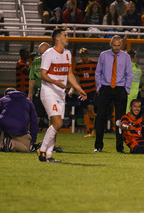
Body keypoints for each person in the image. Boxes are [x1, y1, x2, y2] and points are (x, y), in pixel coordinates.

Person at [38, 27, 87, 162]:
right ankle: (41, 150)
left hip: (60, 94)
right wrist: (56, 82)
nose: (68, 37)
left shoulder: (67, 53)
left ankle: (48, 155)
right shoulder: (49, 53)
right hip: (49, 92)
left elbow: (69, 74)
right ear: (58, 38)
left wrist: (78, 88)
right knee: (58, 123)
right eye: (65, 35)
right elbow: (43, 75)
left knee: (54, 125)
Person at [94, 35, 132, 153]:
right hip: (105, 89)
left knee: (120, 120)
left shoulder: (126, 57)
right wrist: (100, 87)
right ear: (110, 44)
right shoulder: (103, 55)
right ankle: (98, 146)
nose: (116, 48)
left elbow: (129, 74)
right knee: (101, 117)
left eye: (118, 45)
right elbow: (98, 72)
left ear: (121, 45)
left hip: (120, 89)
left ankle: (119, 147)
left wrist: (126, 89)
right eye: (114, 45)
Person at [0, 88, 38, 152]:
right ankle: (10, 143)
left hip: (6, 125)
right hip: (21, 129)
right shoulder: (28, 101)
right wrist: (33, 139)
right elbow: (34, 121)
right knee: (26, 149)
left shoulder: (3, 99)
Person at [70, 48, 97, 137]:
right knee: (85, 110)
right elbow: (76, 78)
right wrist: (73, 88)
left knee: (90, 109)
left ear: (88, 55)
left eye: (85, 55)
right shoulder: (78, 65)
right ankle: (88, 129)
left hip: (92, 90)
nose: (84, 57)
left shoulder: (94, 63)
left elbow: (98, 75)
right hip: (82, 90)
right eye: (82, 56)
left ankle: (93, 129)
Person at [28, 42, 50, 130]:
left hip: (50, 91)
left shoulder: (54, 61)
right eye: (40, 53)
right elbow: (32, 79)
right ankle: (33, 136)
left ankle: (51, 139)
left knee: (52, 116)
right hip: (39, 91)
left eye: (43, 53)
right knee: (36, 115)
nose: (41, 55)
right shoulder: (36, 62)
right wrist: (30, 93)